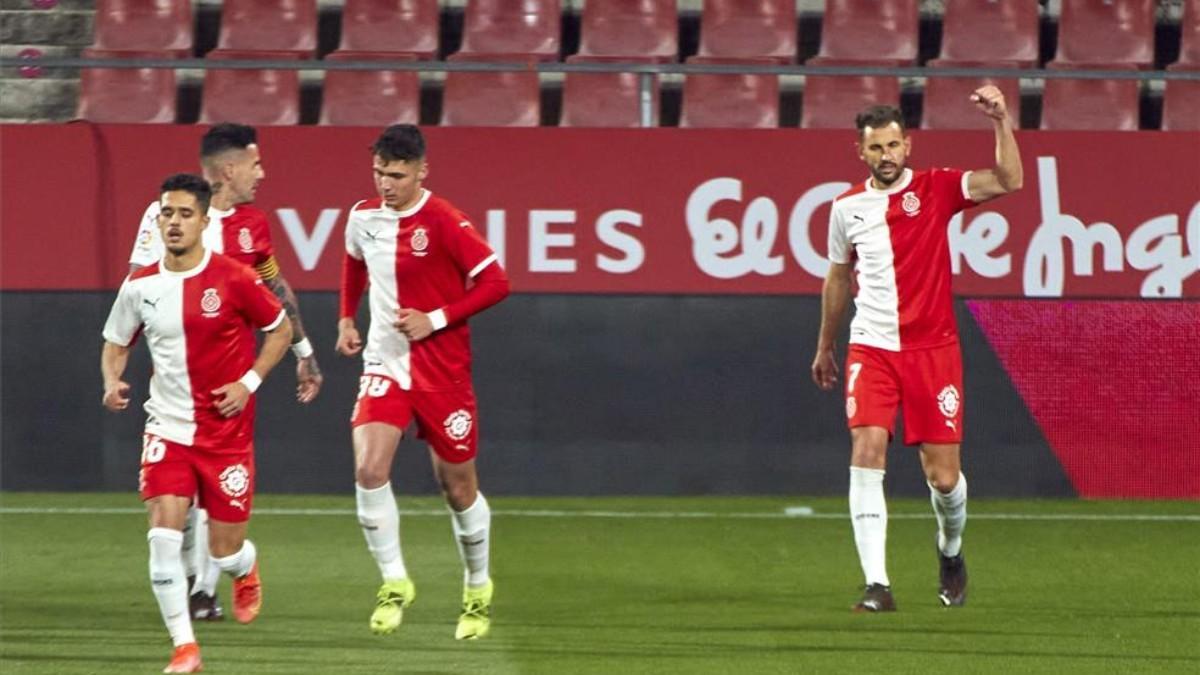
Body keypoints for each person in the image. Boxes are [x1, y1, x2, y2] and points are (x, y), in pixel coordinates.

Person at [811, 88, 1023, 612]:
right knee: (866, 453)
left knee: (944, 479)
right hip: (872, 347)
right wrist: (826, 346)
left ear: (908, 146)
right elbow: (838, 277)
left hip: (934, 351)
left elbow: (1009, 180)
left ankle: (950, 550)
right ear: (860, 153)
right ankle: (877, 585)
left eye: (893, 145)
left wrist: (1001, 121)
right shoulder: (846, 208)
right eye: (875, 148)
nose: (886, 156)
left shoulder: (937, 189)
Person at [128, 123, 323, 620]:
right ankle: (197, 592)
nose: (263, 174)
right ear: (230, 170)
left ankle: (211, 581)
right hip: (175, 379)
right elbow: (135, 287)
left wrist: (303, 350)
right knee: (180, 495)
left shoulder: (252, 225)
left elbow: (277, 291)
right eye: (256, 165)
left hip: (232, 385)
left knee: (214, 504)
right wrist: (120, 355)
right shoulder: (162, 216)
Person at [102, 174, 293, 672]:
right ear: (157, 219)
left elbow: (280, 329)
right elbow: (117, 340)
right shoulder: (140, 283)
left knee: (223, 550)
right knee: (164, 535)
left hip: (225, 435)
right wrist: (112, 379)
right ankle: (185, 647)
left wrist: (248, 383)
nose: (174, 222)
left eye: (186, 214)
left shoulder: (234, 278)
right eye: (167, 213)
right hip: (166, 429)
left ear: (205, 223)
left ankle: (244, 571)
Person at [336, 125, 510, 640]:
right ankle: (394, 581)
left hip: (442, 370)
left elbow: (498, 282)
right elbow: (353, 263)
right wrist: (347, 317)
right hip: (385, 363)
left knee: (457, 489)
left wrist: (434, 319)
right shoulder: (363, 217)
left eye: (397, 174)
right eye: (379, 173)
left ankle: (477, 587)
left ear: (421, 171)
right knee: (369, 470)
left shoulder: (445, 221)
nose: (386, 184)